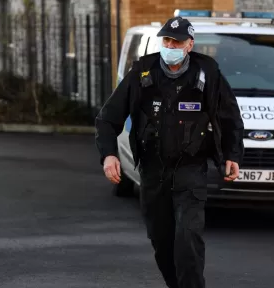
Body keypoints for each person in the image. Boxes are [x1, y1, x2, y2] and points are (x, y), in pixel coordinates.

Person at [93, 16, 244, 288]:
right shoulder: (142, 72)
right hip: (153, 172)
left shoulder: (207, 71)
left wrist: (232, 155)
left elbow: (230, 117)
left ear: (189, 45)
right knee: (162, 244)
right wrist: (109, 155)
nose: (170, 45)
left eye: (177, 41)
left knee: (188, 241)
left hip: (190, 171)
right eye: (166, 40)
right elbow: (107, 118)